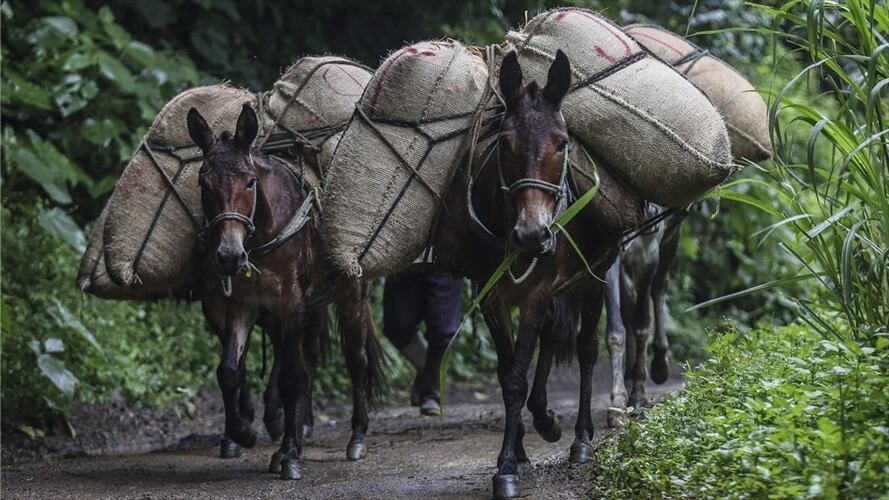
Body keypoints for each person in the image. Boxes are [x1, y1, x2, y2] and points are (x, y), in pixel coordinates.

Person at [383, 262, 463, 416]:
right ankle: (429, 375)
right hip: (405, 261)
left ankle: (432, 393)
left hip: (445, 259)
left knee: (444, 332)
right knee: (397, 326)